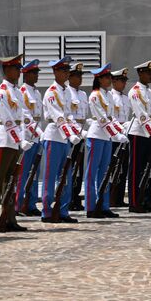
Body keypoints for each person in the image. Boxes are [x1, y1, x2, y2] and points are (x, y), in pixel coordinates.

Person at [0, 55, 31, 233]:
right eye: (16, 69)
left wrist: (30, 129)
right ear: (7, 71)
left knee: (11, 182)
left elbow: (22, 115)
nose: (19, 72)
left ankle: (9, 218)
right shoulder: (1, 92)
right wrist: (20, 139)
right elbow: (7, 120)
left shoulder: (17, 91)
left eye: (19, 68)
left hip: (15, 140)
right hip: (5, 140)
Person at [39, 57, 82, 223]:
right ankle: (47, 211)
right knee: (50, 177)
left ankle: (63, 210)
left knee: (65, 176)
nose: (66, 74)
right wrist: (69, 133)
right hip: (54, 136)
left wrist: (76, 131)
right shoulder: (51, 92)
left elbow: (69, 115)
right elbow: (58, 117)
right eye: (63, 71)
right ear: (55, 72)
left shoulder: (66, 91)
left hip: (65, 137)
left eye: (67, 71)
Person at [84, 64, 122, 219]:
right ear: (99, 79)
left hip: (107, 137)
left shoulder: (109, 96)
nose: (110, 80)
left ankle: (104, 205)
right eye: (107, 77)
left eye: (110, 77)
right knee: (92, 173)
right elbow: (101, 119)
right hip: (96, 136)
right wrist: (116, 134)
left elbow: (112, 118)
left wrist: (119, 129)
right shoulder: (95, 96)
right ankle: (91, 206)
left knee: (105, 173)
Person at [126, 60, 151, 213]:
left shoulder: (148, 91)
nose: (150, 76)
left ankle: (146, 200)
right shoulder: (135, 91)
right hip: (138, 133)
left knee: (148, 168)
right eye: (148, 73)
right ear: (140, 73)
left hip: (148, 133)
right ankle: (135, 202)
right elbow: (141, 115)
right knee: (136, 169)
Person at [16, 59, 44, 215]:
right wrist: (38, 132)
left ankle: (31, 204)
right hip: (26, 137)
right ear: (25, 75)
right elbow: (25, 117)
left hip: (36, 137)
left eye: (37, 73)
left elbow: (39, 116)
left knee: (34, 172)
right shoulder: (22, 92)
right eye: (33, 73)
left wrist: (40, 133)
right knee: (23, 173)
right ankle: (18, 204)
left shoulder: (37, 92)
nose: (36, 76)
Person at [65, 63, 88, 212]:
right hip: (71, 133)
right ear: (70, 77)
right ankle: (68, 196)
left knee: (79, 167)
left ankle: (76, 194)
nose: (79, 79)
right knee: (70, 167)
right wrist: (76, 131)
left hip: (81, 132)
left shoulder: (83, 94)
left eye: (80, 76)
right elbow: (68, 117)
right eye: (76, 76)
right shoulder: (66, 92)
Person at [108, 67, 131, 207]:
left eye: (125, 80)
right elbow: (111, 118)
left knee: (123, 167)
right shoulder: (110, 97)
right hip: (114, 135)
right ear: (114, 81)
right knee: (113, 167)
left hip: (124, 134)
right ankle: (112, 196)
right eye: (121, 80)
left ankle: (120, 197)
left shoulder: (126, 98)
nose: (124, 83)